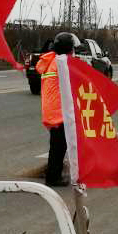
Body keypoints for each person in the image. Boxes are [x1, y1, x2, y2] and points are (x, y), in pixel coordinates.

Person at [35, 31, 80, 187]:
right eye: (72, 48)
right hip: (58, 111)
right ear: (68, 49)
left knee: (58, 144)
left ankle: (54, 172)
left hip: (51, 109)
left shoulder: (51, 61)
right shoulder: (61, 64)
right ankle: (53, 177)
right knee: (59, 146)